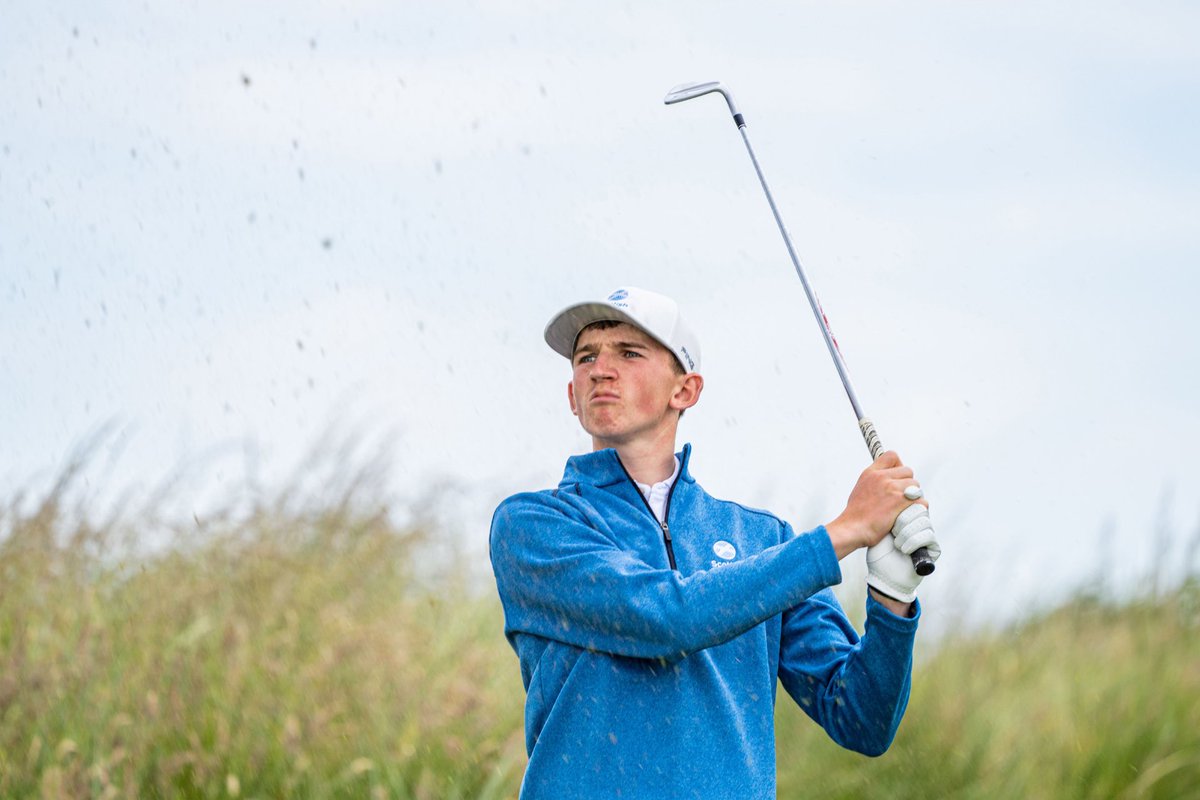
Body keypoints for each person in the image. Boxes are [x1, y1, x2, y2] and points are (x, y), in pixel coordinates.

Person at [489, 286, 941, 798]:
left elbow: (860, 720)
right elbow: (668, 617)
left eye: (629, 353)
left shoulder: (762, 539)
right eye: (586, 357)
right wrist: (842, 534)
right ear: (572, 396)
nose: (600, 369)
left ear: (685, 390)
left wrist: (892, 599)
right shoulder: (534, 525)